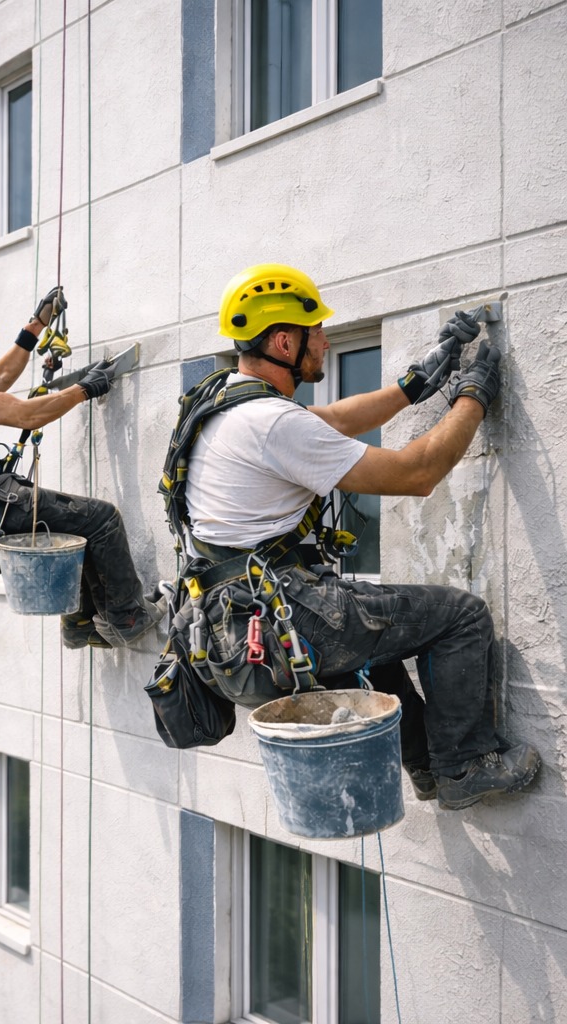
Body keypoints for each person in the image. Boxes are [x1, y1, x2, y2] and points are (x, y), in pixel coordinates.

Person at [183, 262, 536, 810]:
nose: (324, 340)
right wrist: (474, 398)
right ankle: (464, 765)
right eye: (316, 332)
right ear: (284, 340)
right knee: (460, 617)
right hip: (284, 614)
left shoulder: (223, 404)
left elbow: (332, 421)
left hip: (233, 624)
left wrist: (419, 381)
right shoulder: (274, 423)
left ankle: (426, 766)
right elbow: (416, 474)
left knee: (373, 653)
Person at [0, 290, 164, 649]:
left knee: (75, 526)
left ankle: (80, 623)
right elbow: (25, 414)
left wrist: (37, 324)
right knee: (101, 519)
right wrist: (83, 390)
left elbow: (0, 376)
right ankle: (127, 617)